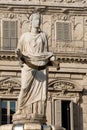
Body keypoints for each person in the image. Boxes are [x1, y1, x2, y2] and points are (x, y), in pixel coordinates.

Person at [14, 12, 53, 118]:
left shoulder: (43, 36)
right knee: (24, 87)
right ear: (30, 22)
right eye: (36, 19)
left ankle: (38, 113)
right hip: (28, 65)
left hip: (41, 65)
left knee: (41, 93)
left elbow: (46, 52)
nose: (38, 21)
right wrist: (19, 54)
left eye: (39, 20)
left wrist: (51, 57)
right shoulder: (24, 36)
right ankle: (20, 109)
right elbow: (19, 52)